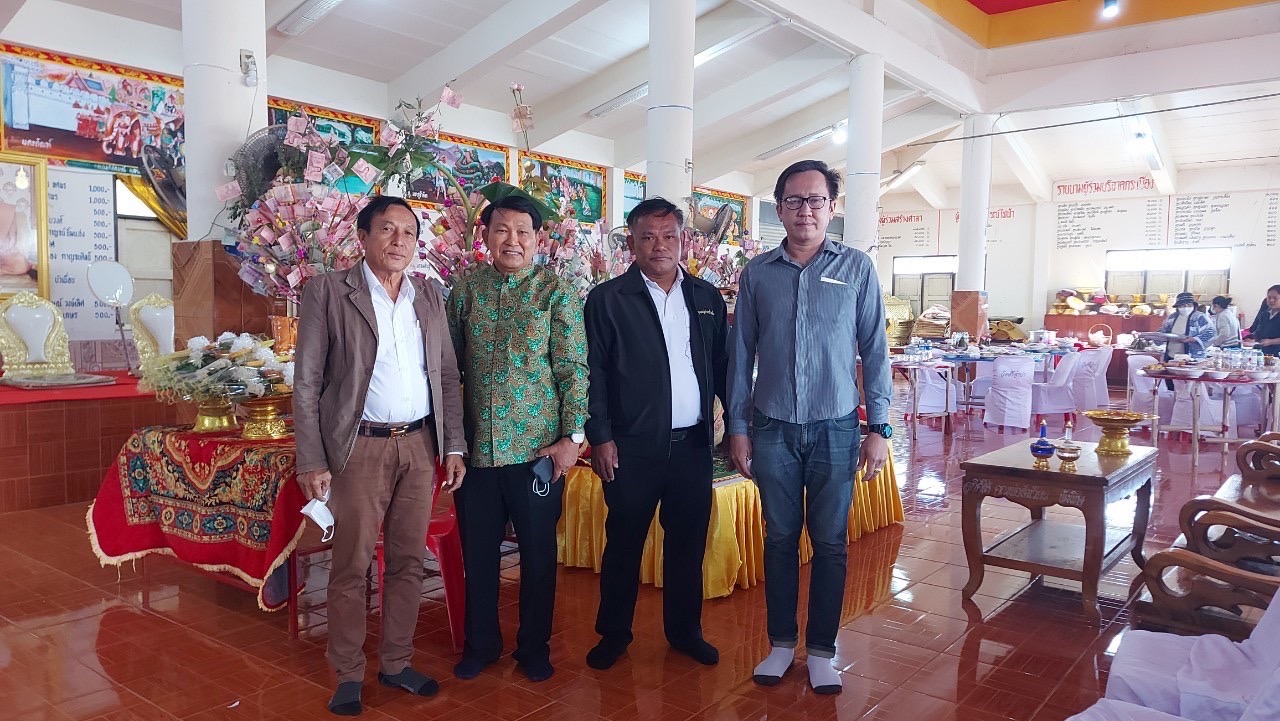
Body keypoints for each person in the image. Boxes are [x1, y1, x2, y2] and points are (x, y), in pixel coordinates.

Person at [294, 195, 467, 716]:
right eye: (387, 229)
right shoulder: (329, 291)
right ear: (363, 237)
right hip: (358, 447)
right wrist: (311, 459)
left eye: (409, 232)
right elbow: (307, 382)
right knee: (351, 564)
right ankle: (348, 672)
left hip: (419, 445)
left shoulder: (428, 295)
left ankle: (396, 662)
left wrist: (453, 444)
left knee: (409, 561)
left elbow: (447, 375)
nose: (399, 241)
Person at [726, 159, 892, 695]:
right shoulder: (758, 273)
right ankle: (780, 644)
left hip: (836, 427)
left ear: (831, 207)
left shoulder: (857, 268)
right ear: (779, 209)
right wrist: (738, 427)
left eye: (816, 200)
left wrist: (879, 427)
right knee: (778, 539)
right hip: (771, 426)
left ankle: (821, 650)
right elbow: (740, 355)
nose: (806, 211)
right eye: (794, 201)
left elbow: (875, 350)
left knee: (830, 543)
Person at [446, 188, 589, 683]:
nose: (512, 240)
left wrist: (572, 438)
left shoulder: (556, 294)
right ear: (485, 236)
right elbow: (448, 371)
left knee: (538, 556)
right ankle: (481, 644)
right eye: (501, 230)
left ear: (538, 238)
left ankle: (534, 647)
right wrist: (451, 442)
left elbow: (574, 370)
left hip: (537, 454)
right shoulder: (464, 292)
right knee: (479, 556)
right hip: (477, 456)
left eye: (522, 231)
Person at [582, 197, 729, 670]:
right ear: (632, 242)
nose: (659, 245)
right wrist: (600, 436)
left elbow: (723, 366)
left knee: (687, 543)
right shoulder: (608, 299)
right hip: (631, 448)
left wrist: (734, 425)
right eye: (648, 237)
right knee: (624, 543)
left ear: (683, 241)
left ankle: (685, 632)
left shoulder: (705, 297)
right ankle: (613, 635)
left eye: (669, 236)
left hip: (692, 447)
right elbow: (594, 372)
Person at [1159, 292, 1214, 360]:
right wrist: (1155, 335)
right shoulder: (1172, 317)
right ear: (1177, 307)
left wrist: (1194, 339)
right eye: (1182, 306)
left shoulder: (1200, 317)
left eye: (1189, 305)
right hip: (1171, 355)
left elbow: (1211, 333)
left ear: (1193, 306)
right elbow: (1163, 331)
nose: (1185, 308)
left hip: (1192, 357)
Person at [1247, 284, 1280, 356]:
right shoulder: (1265, 314)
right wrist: (1251, 337)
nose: (1271, 300)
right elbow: (1260, 331)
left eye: (1275, 298)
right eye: (1269, 297)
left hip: (1277, 353)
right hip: (1262, 352)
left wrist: (1271, 341)